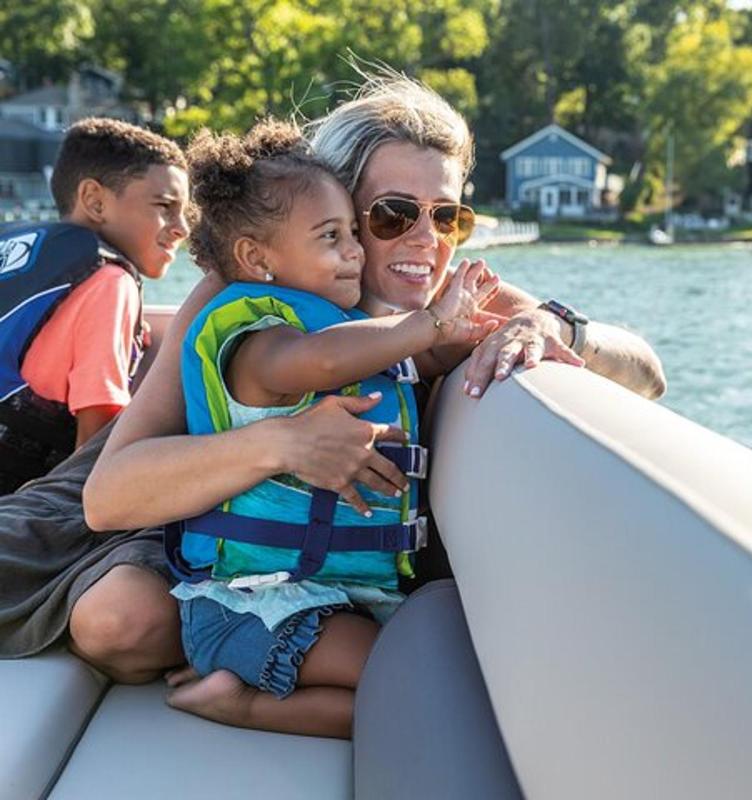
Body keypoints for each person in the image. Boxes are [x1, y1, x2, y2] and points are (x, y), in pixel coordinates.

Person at [1, 68, 663, 792]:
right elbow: (109, 497)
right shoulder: (244, 296)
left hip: (282, 549)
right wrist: (283, 443)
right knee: (120, 621)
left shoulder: (451, 301)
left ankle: (246, 661)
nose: (424, 240)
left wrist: (551, 321)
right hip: (160, 497)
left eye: (448, 217)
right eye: (391, 215)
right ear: (338, 205)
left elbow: (646, 373)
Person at [165, 119, 503, 737]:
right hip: (257, 605)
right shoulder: (259, 338)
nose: (353, 252)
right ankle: (239, 706)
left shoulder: (357, 326)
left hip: (330, 593)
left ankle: (247, 702)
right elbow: (319, 360)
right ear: (256, 259)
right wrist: (431, 325)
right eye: (331, 237)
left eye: (353, 234)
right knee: (415, 687)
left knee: (419, 700)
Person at [0, 118, 189, 492]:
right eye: (165, 206)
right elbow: (97, 436)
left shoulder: (15, 251)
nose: (182, 226)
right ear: (94, 201)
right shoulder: (110, 283)